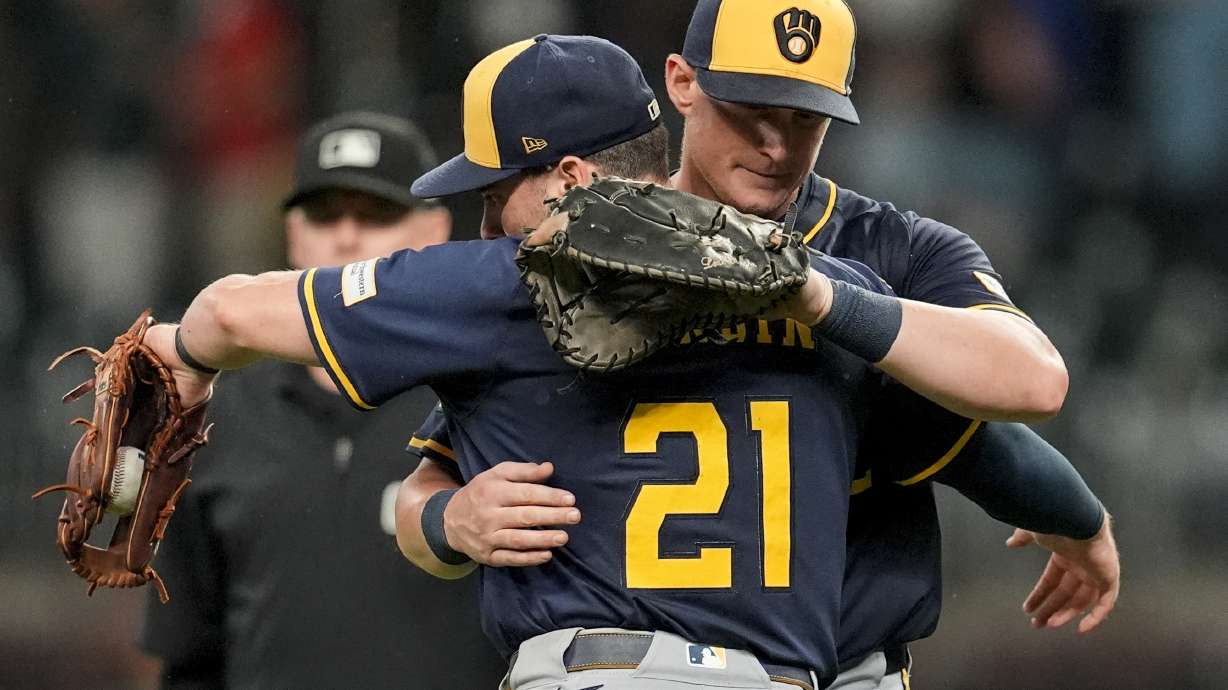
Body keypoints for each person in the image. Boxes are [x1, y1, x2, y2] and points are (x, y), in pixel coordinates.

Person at [126, 35, 984, 690]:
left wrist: (182, 355)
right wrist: (1086, 530)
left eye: (498, 187)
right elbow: (1020, 416)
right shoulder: (820, 285)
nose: (491, 218)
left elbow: (228, 308)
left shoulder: (504, 288)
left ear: (568, 177)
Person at [399, 3, 1119, 689]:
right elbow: (434, 475)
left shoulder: (886, 250)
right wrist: (447, 518)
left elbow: (1030, 385)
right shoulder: (596, 245)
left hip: (855, 663)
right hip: (641, 661)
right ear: (683, 83)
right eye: (750, 112)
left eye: (805, 118)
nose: (776, 145)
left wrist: (824, 303)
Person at [136, 112, 506, 689]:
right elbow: (189, 654)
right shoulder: (214, 418)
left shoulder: (489, 402)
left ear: (435, 231)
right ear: (292, 235)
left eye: (377, 212)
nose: (347, 235)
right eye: (325, 213)